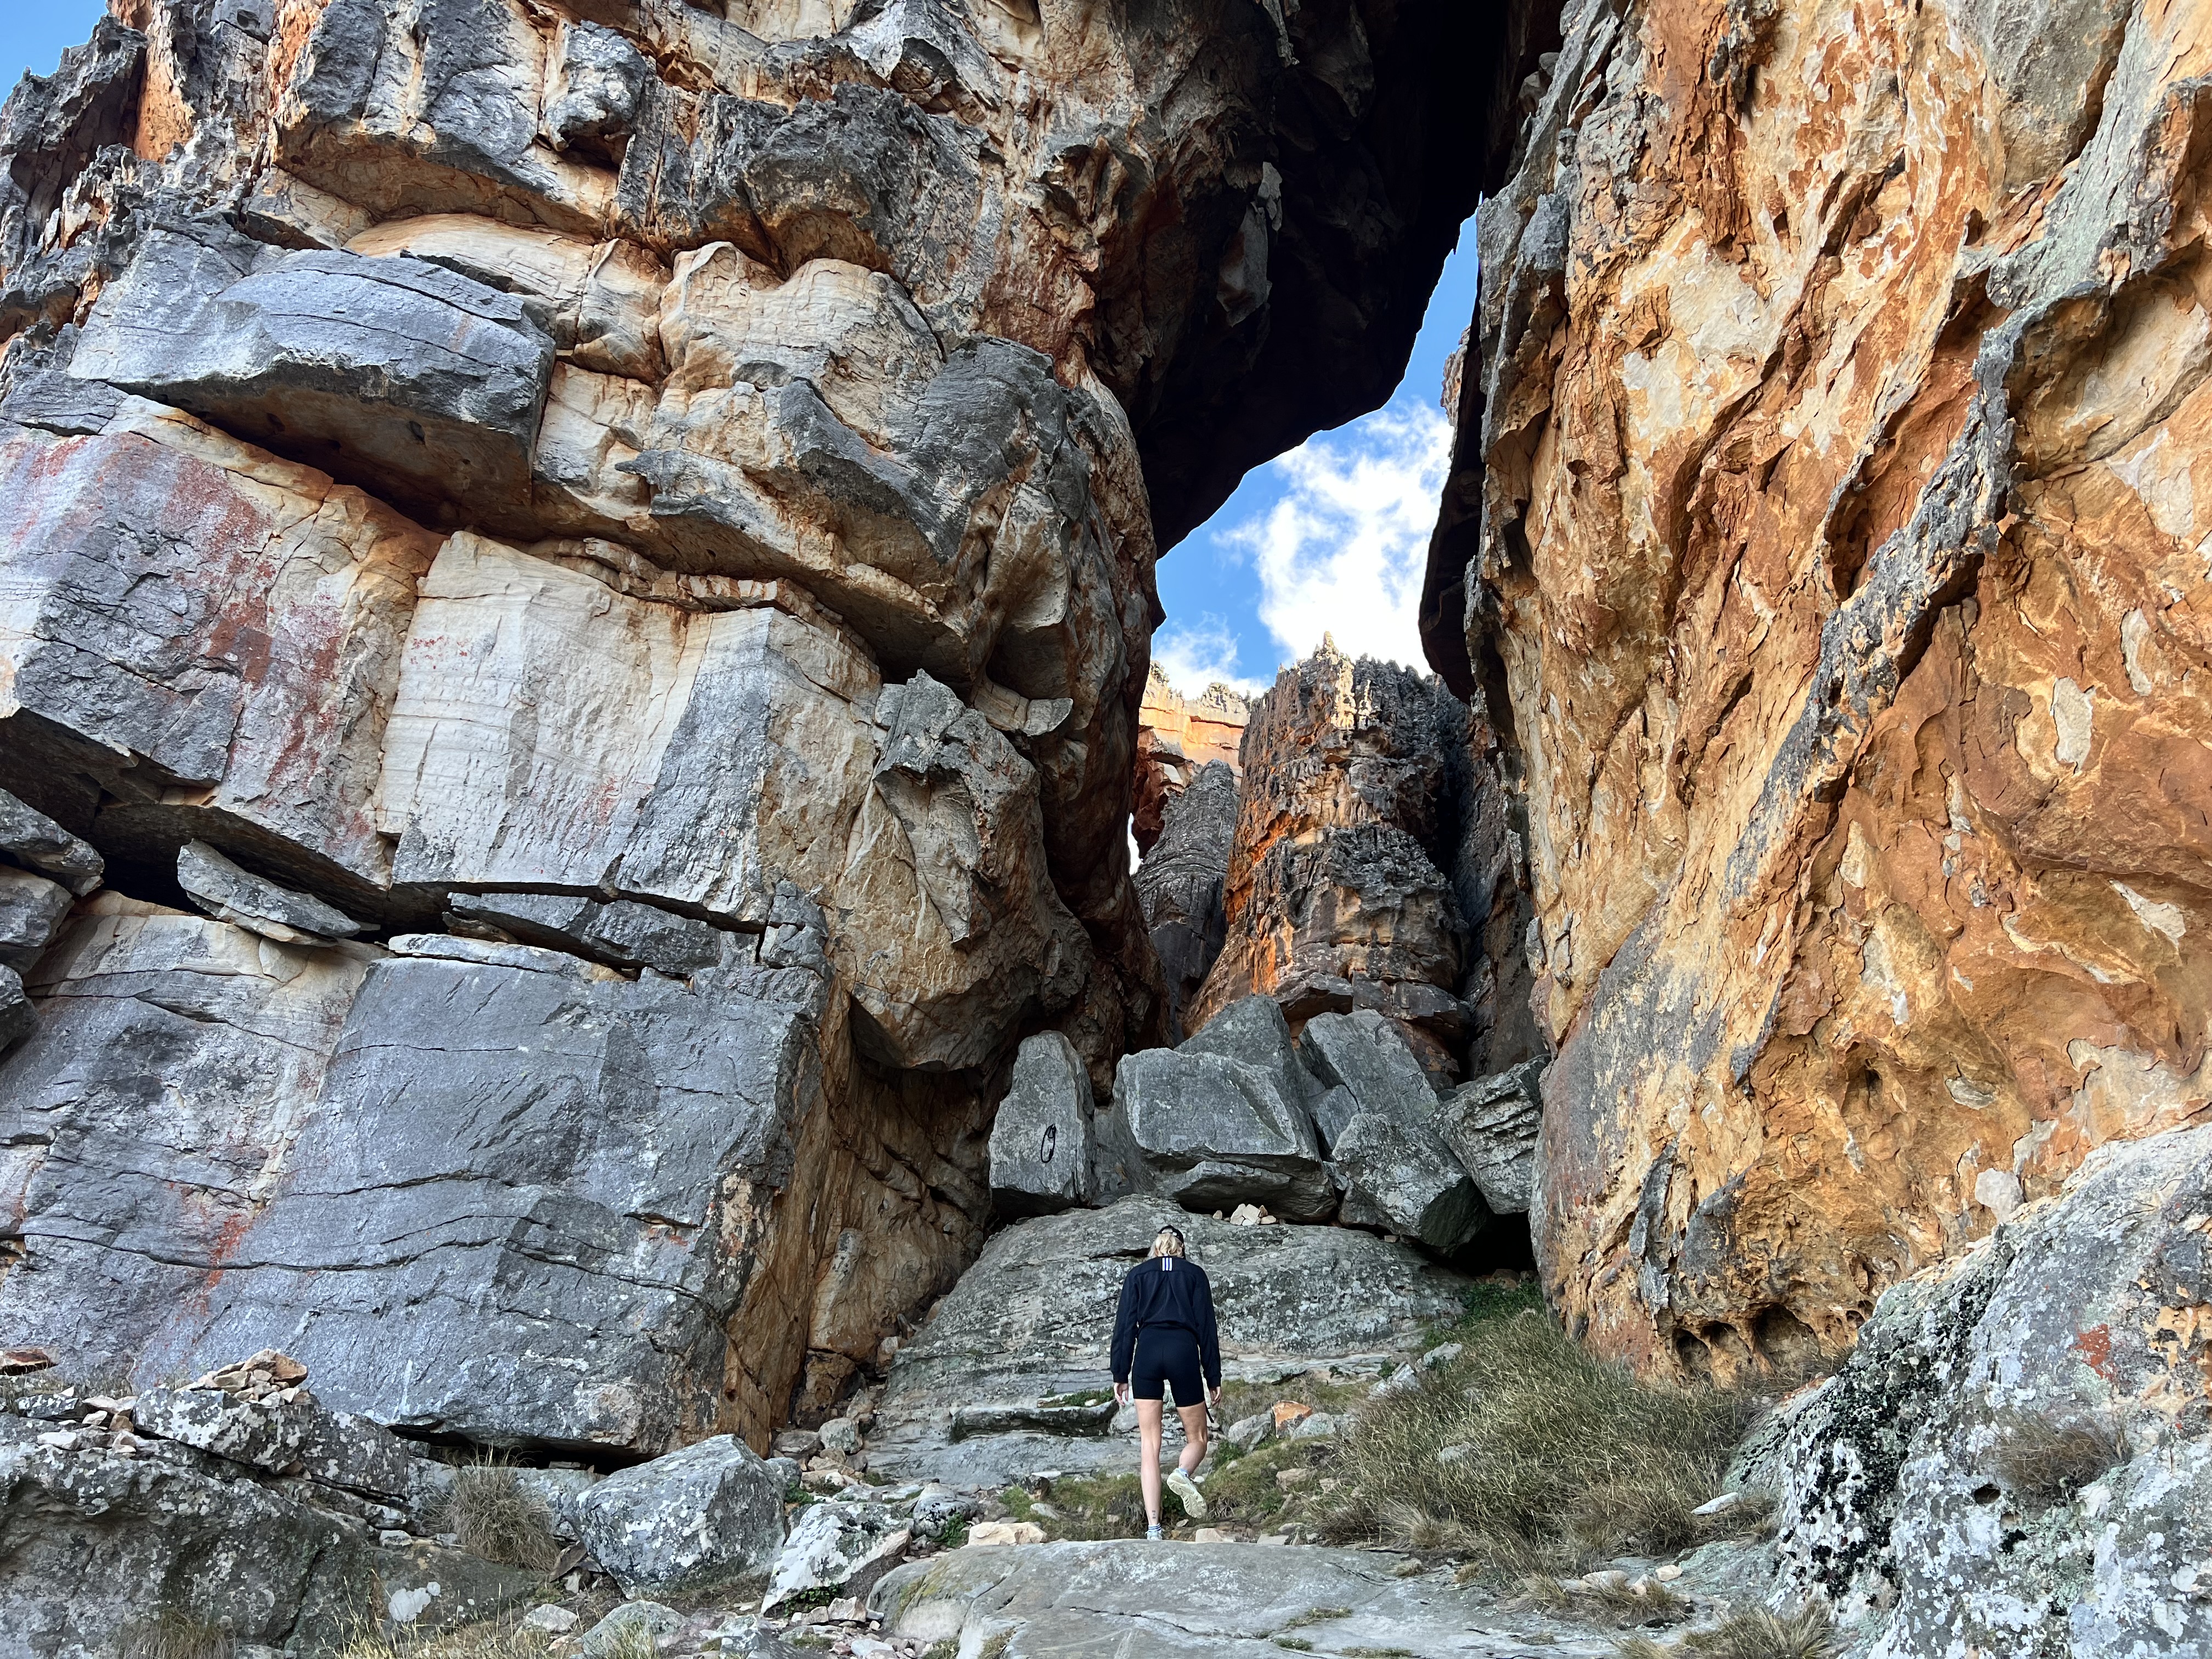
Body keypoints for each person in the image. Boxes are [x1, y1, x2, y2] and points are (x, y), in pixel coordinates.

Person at [1109, 1223, 1222, 1539]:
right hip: (1183, 1351)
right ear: (1181, 1250)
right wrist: (1213, 1376)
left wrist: (1121, 1374)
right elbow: (1207, 1330)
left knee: (1149, 1446)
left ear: (1156, 1248)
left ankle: (1154, 1530)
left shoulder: (1137, 1275)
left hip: (1146, 1353)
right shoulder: (1195, 1275)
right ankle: (1182, 1473)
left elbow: (1124, 1328)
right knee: (1198, 1437)